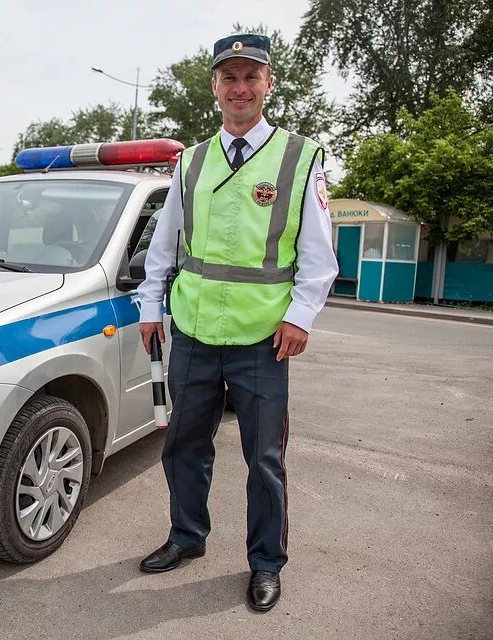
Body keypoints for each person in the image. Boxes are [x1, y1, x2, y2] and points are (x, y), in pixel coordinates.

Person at [136, 33, 339, 612]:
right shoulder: (191, 162)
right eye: (230, 78)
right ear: (215, 88)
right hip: (195, 330)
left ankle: (266, 563)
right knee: (184, 446)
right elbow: (165, 245)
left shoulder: (301, 158)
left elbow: (319, 256)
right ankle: (186, 538)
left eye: (252, 77)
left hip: (262, 337)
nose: (240, 88)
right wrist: (152, 306)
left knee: (265, 458)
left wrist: (301, 317)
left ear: (269, 84)